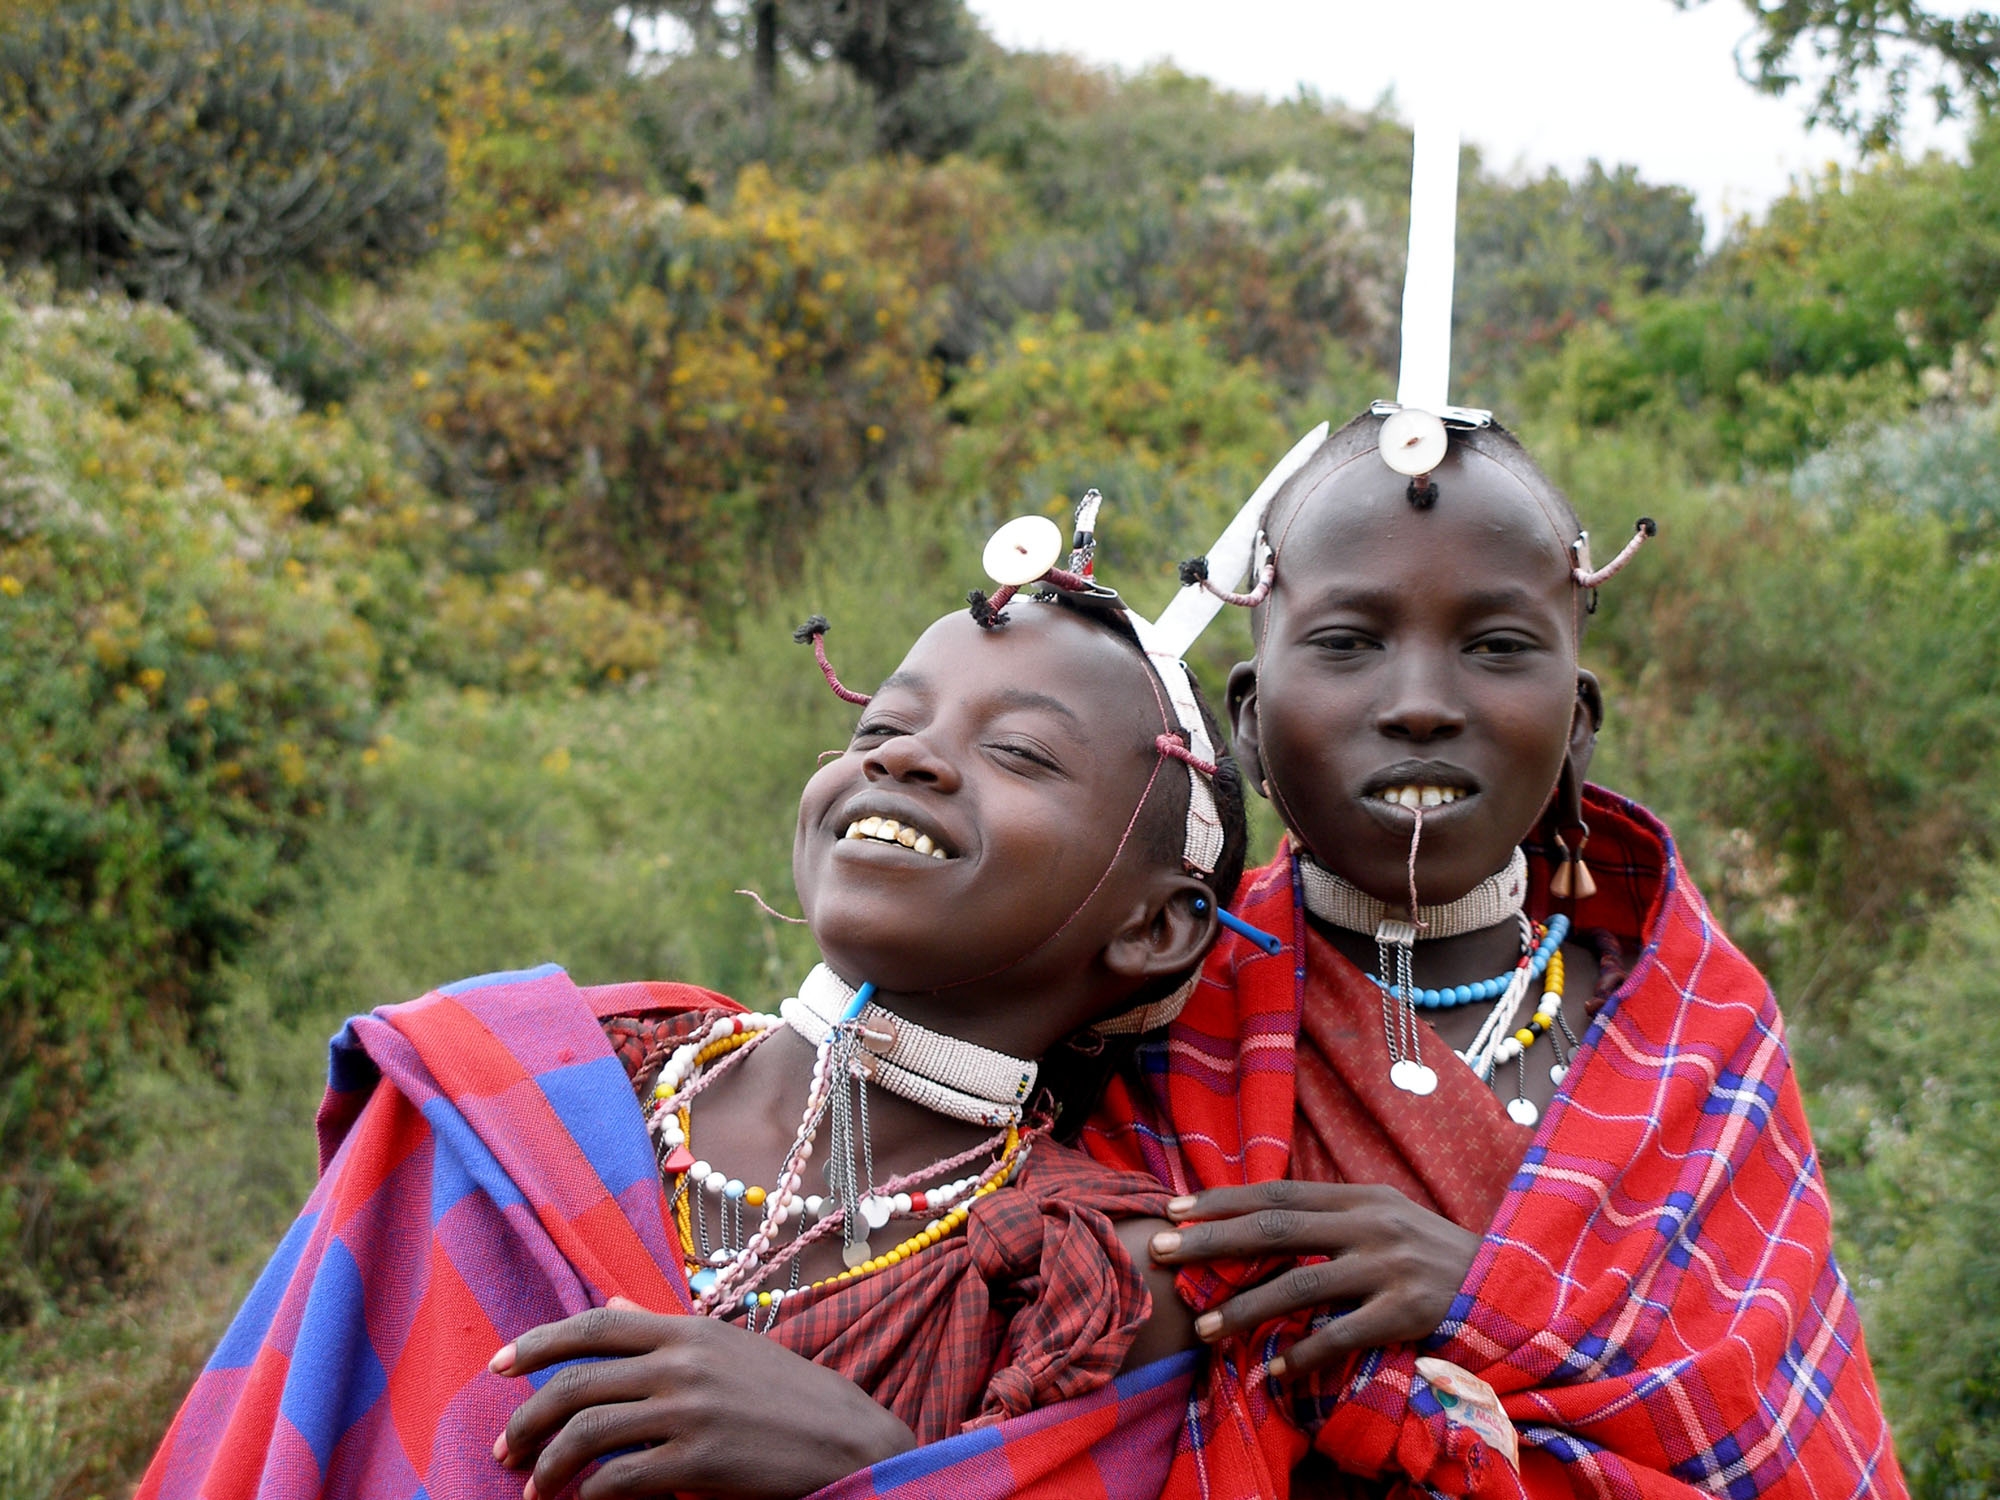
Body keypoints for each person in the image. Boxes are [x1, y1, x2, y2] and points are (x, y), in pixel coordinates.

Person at [137, 530, 1260, 1500]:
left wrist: (867, 1464)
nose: (907, 757)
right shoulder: (510, 1090)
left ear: (1154, 929)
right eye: (877, 730)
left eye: (1015, 752)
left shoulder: (1086, 1284)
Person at [1084, 412, 1908, 1498]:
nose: (1420, 703)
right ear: (1246, 721)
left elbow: (1787, 1446)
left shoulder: (1697, 1030)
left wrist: (1493, 1294)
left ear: (1575, 726)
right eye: (1345, 642)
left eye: (1495, 647)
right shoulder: (1150, 1008)